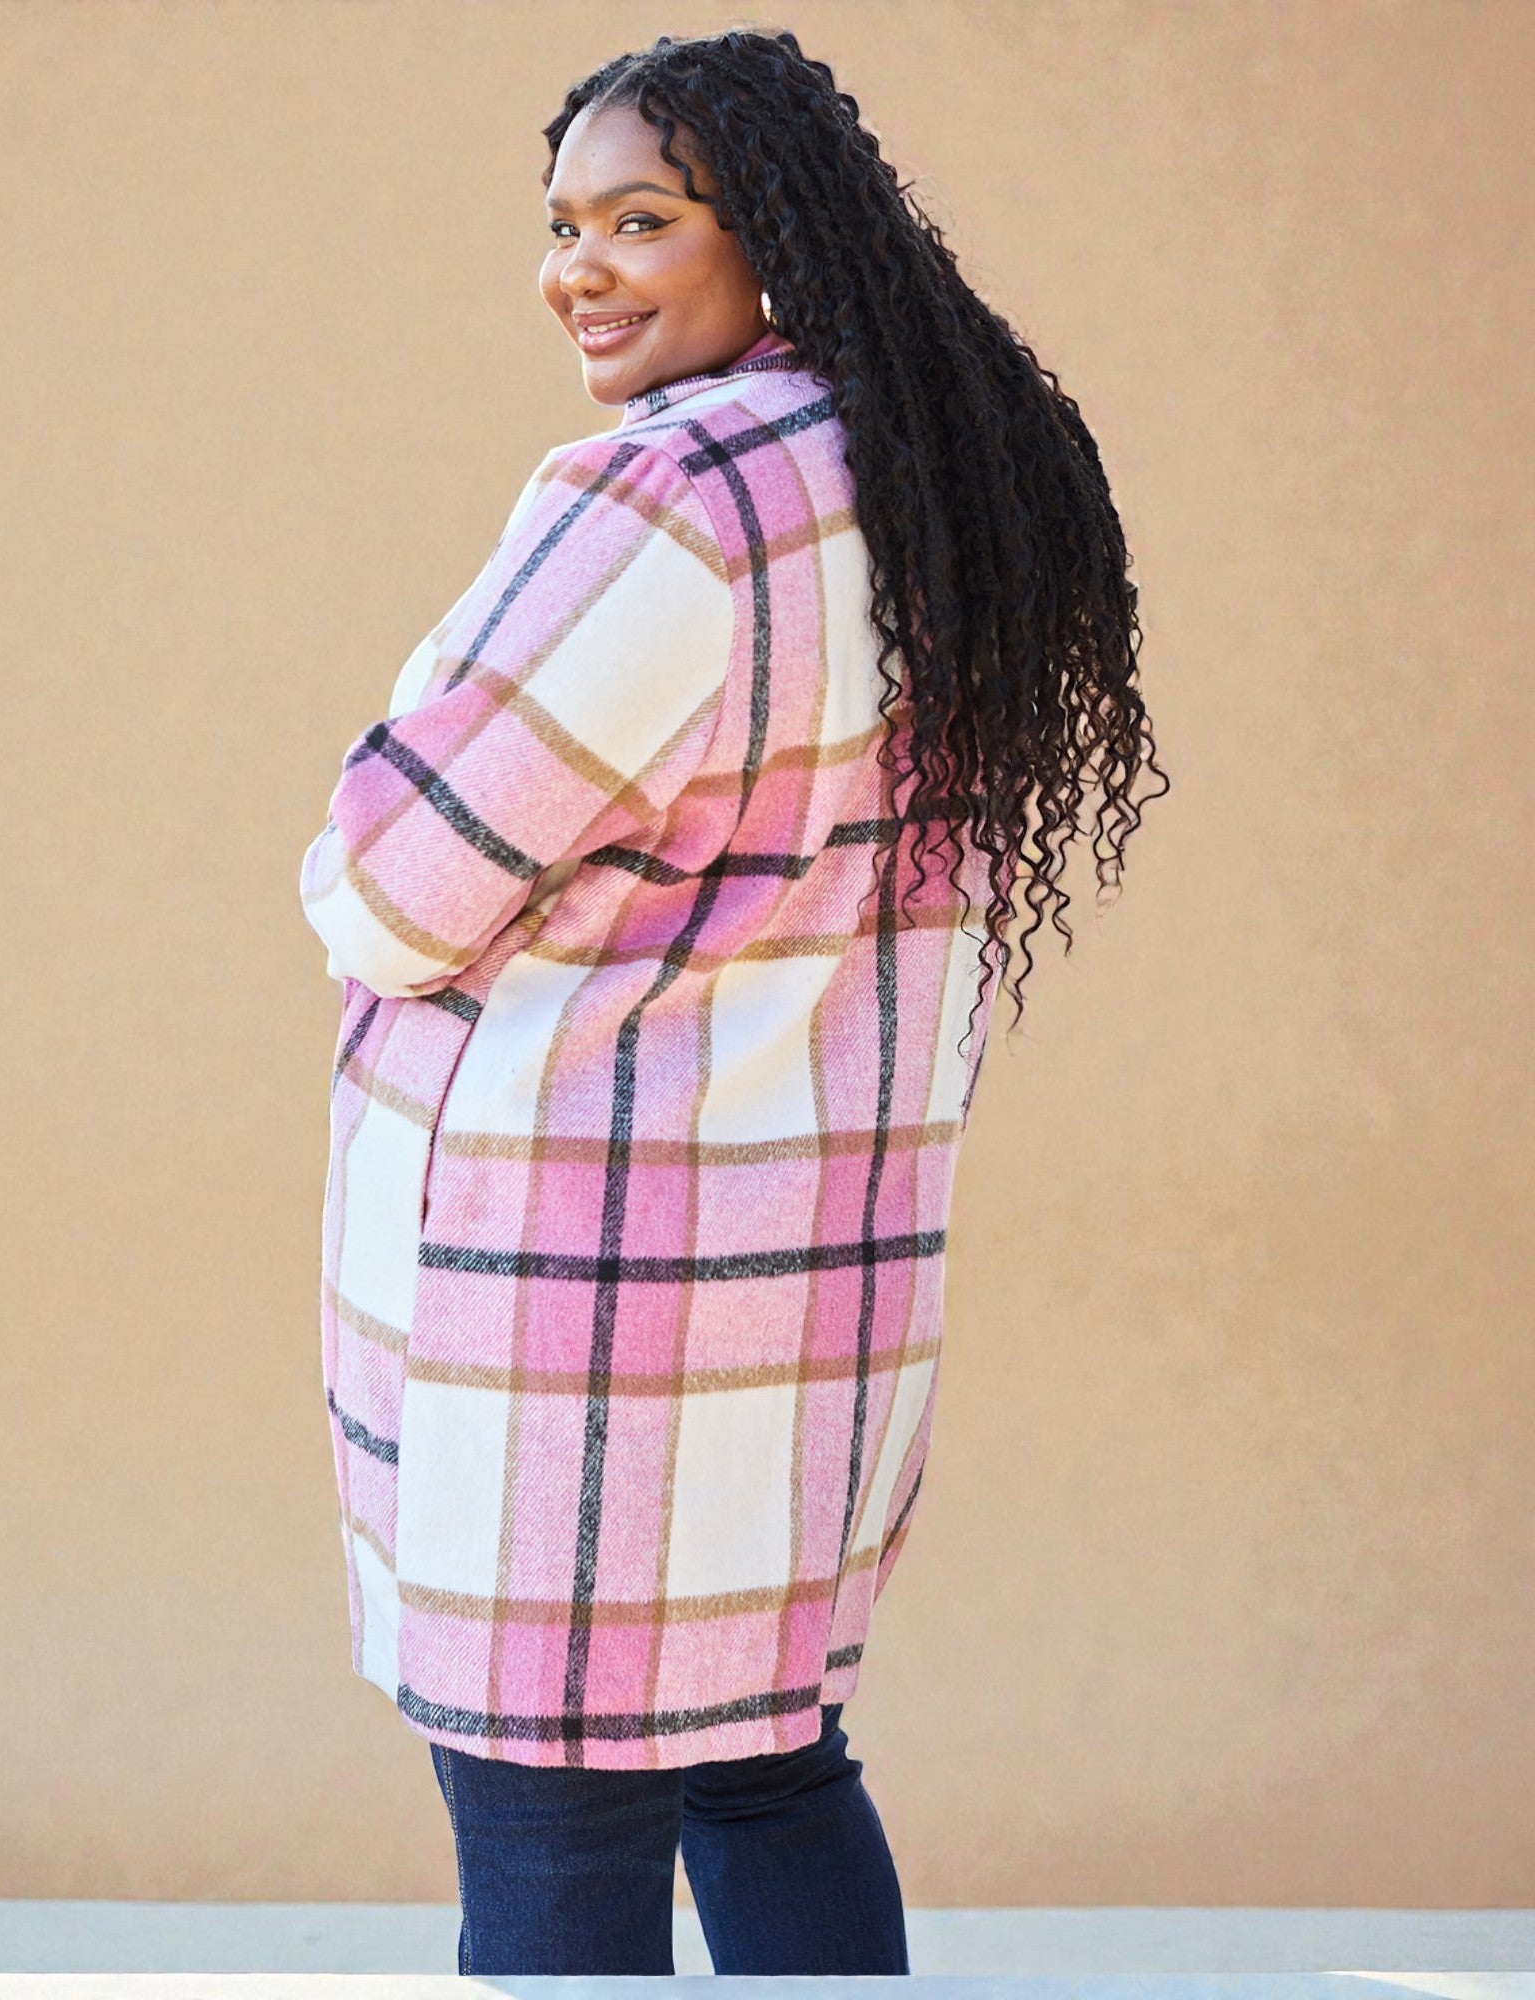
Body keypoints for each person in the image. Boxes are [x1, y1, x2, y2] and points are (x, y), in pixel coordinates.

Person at [297, 26, 1166, 1979]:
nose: (578, 269)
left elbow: (393, 876)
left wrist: (338, 862)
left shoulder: (672, 495)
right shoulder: (936, 488)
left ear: (766, 231)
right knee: (766, 1766)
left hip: (578, 1308)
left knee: (545, 1814)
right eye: (559, 225)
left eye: (640, 218)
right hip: (809, 1287)